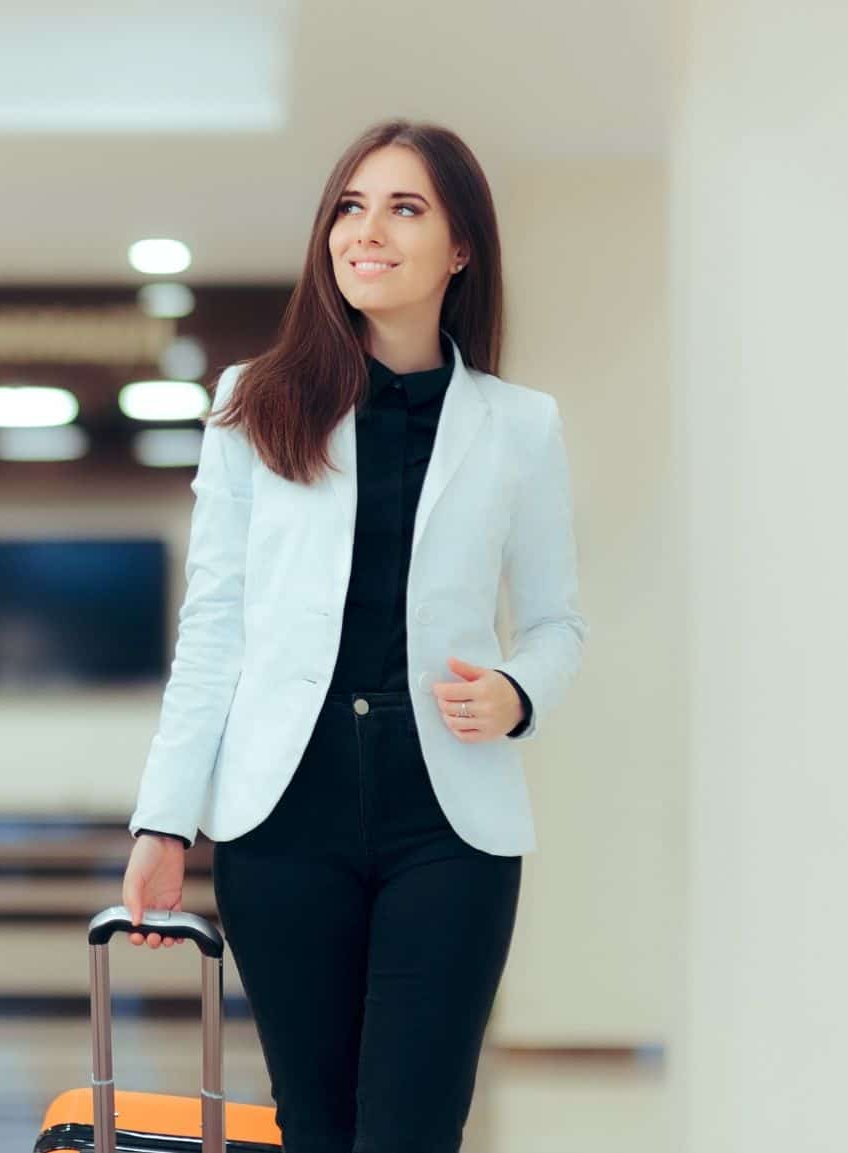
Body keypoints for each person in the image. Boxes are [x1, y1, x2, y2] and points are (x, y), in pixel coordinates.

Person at [119, 119, 587, 1153]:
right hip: (283, 818)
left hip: (448, 823)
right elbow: (212, 630)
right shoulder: (256, 402)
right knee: (317, 1130)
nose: (365, 231)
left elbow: (557, 622)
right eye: (349, 206)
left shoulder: (520, 426)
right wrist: (164, 819)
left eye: (404, 207)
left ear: (459, 248)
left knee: (411, 1131)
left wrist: (517, 690)